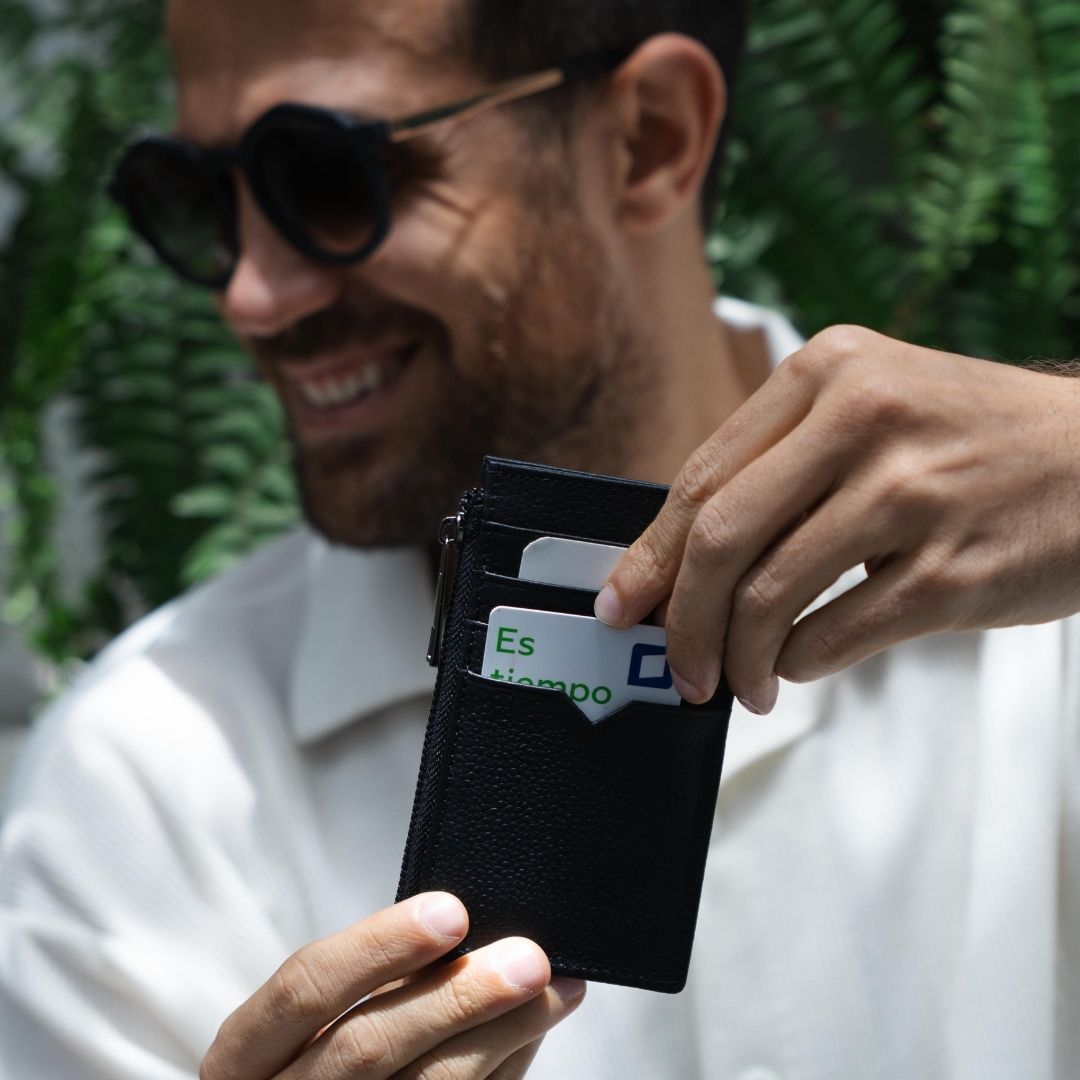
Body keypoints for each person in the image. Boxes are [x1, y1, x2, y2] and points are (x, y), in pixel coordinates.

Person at [1, 0, 1078, 1077]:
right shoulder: (131, 796)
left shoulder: (1050, 614)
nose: (251, 295)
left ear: (649, 138)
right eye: (198, 197)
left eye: (329, 176)